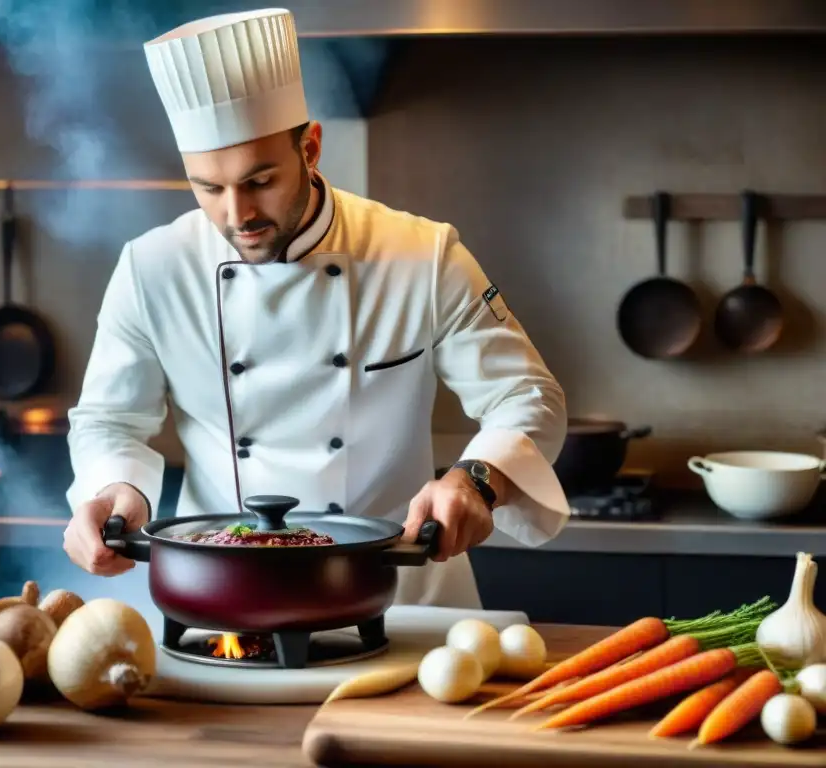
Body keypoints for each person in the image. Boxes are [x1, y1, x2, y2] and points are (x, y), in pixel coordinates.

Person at [62, 7, 571, 609]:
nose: (236, 215)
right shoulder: (151, 269)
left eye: (259, 181)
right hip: (224, 600)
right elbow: (108, 422)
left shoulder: (422, 254)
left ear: (310, 148)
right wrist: (115, 488)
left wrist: (477, 481)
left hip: (403, 597)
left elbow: (528, 397)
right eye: (208, 188)